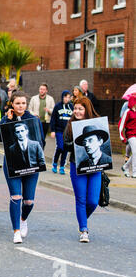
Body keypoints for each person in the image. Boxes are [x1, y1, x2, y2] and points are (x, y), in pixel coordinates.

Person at [0, 91, 45, 244]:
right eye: (18, 103)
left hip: (31, 166)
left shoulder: (32, 119)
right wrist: (6, 119)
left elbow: (41, 141)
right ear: (12, 104)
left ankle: (23, 219)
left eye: (23, 103)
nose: (21, 106)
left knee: (29, 201)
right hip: (12, 165)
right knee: (16, 197)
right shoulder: (6, 119)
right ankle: (16, 231)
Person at [63, 97, 101, 243]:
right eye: (75, 108)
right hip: (77, 165)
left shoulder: (97, 122)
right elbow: (65, 145)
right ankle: (83, 229)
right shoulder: (71, 124)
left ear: (87, 109)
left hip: (95, 168)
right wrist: (75, 144)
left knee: (92, 201)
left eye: (80, 108)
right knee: (81, 199)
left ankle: (82, 218)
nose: (77, 111)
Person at [50, 90, 73, 175]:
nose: (67, 99)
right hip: (59, 130)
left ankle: (62, 166)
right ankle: (55, 163)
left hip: (68, 132)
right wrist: (52, 130)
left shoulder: (72, 107)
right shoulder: (57, 106)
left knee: (66, 149)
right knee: (60, 147)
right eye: (65, 97)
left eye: (68, 97)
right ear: (62, 97)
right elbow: (53, 119)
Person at [119, 96, 136, 178]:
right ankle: (134, 172)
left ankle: (125, 167)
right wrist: (121, 136)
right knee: (135, 152)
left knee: (135, 153)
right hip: (131, 134)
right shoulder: (128, 112)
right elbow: (121, 124)